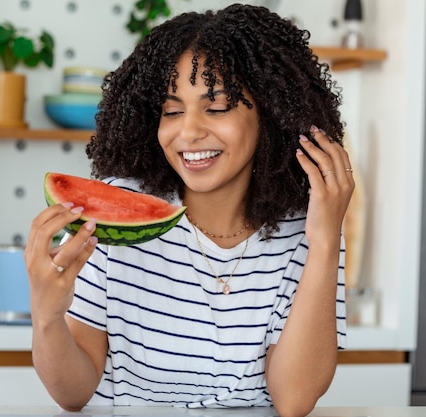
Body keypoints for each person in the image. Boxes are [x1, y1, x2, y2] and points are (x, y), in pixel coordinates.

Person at [25, 4, 354, 416]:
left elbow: (294, 400)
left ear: (270, 114)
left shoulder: (307, 229)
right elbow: (72, 393)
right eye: (172, 111)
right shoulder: (111, 213)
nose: (189, 131)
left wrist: (324, 243)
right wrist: (47, 316)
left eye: (216, 108)